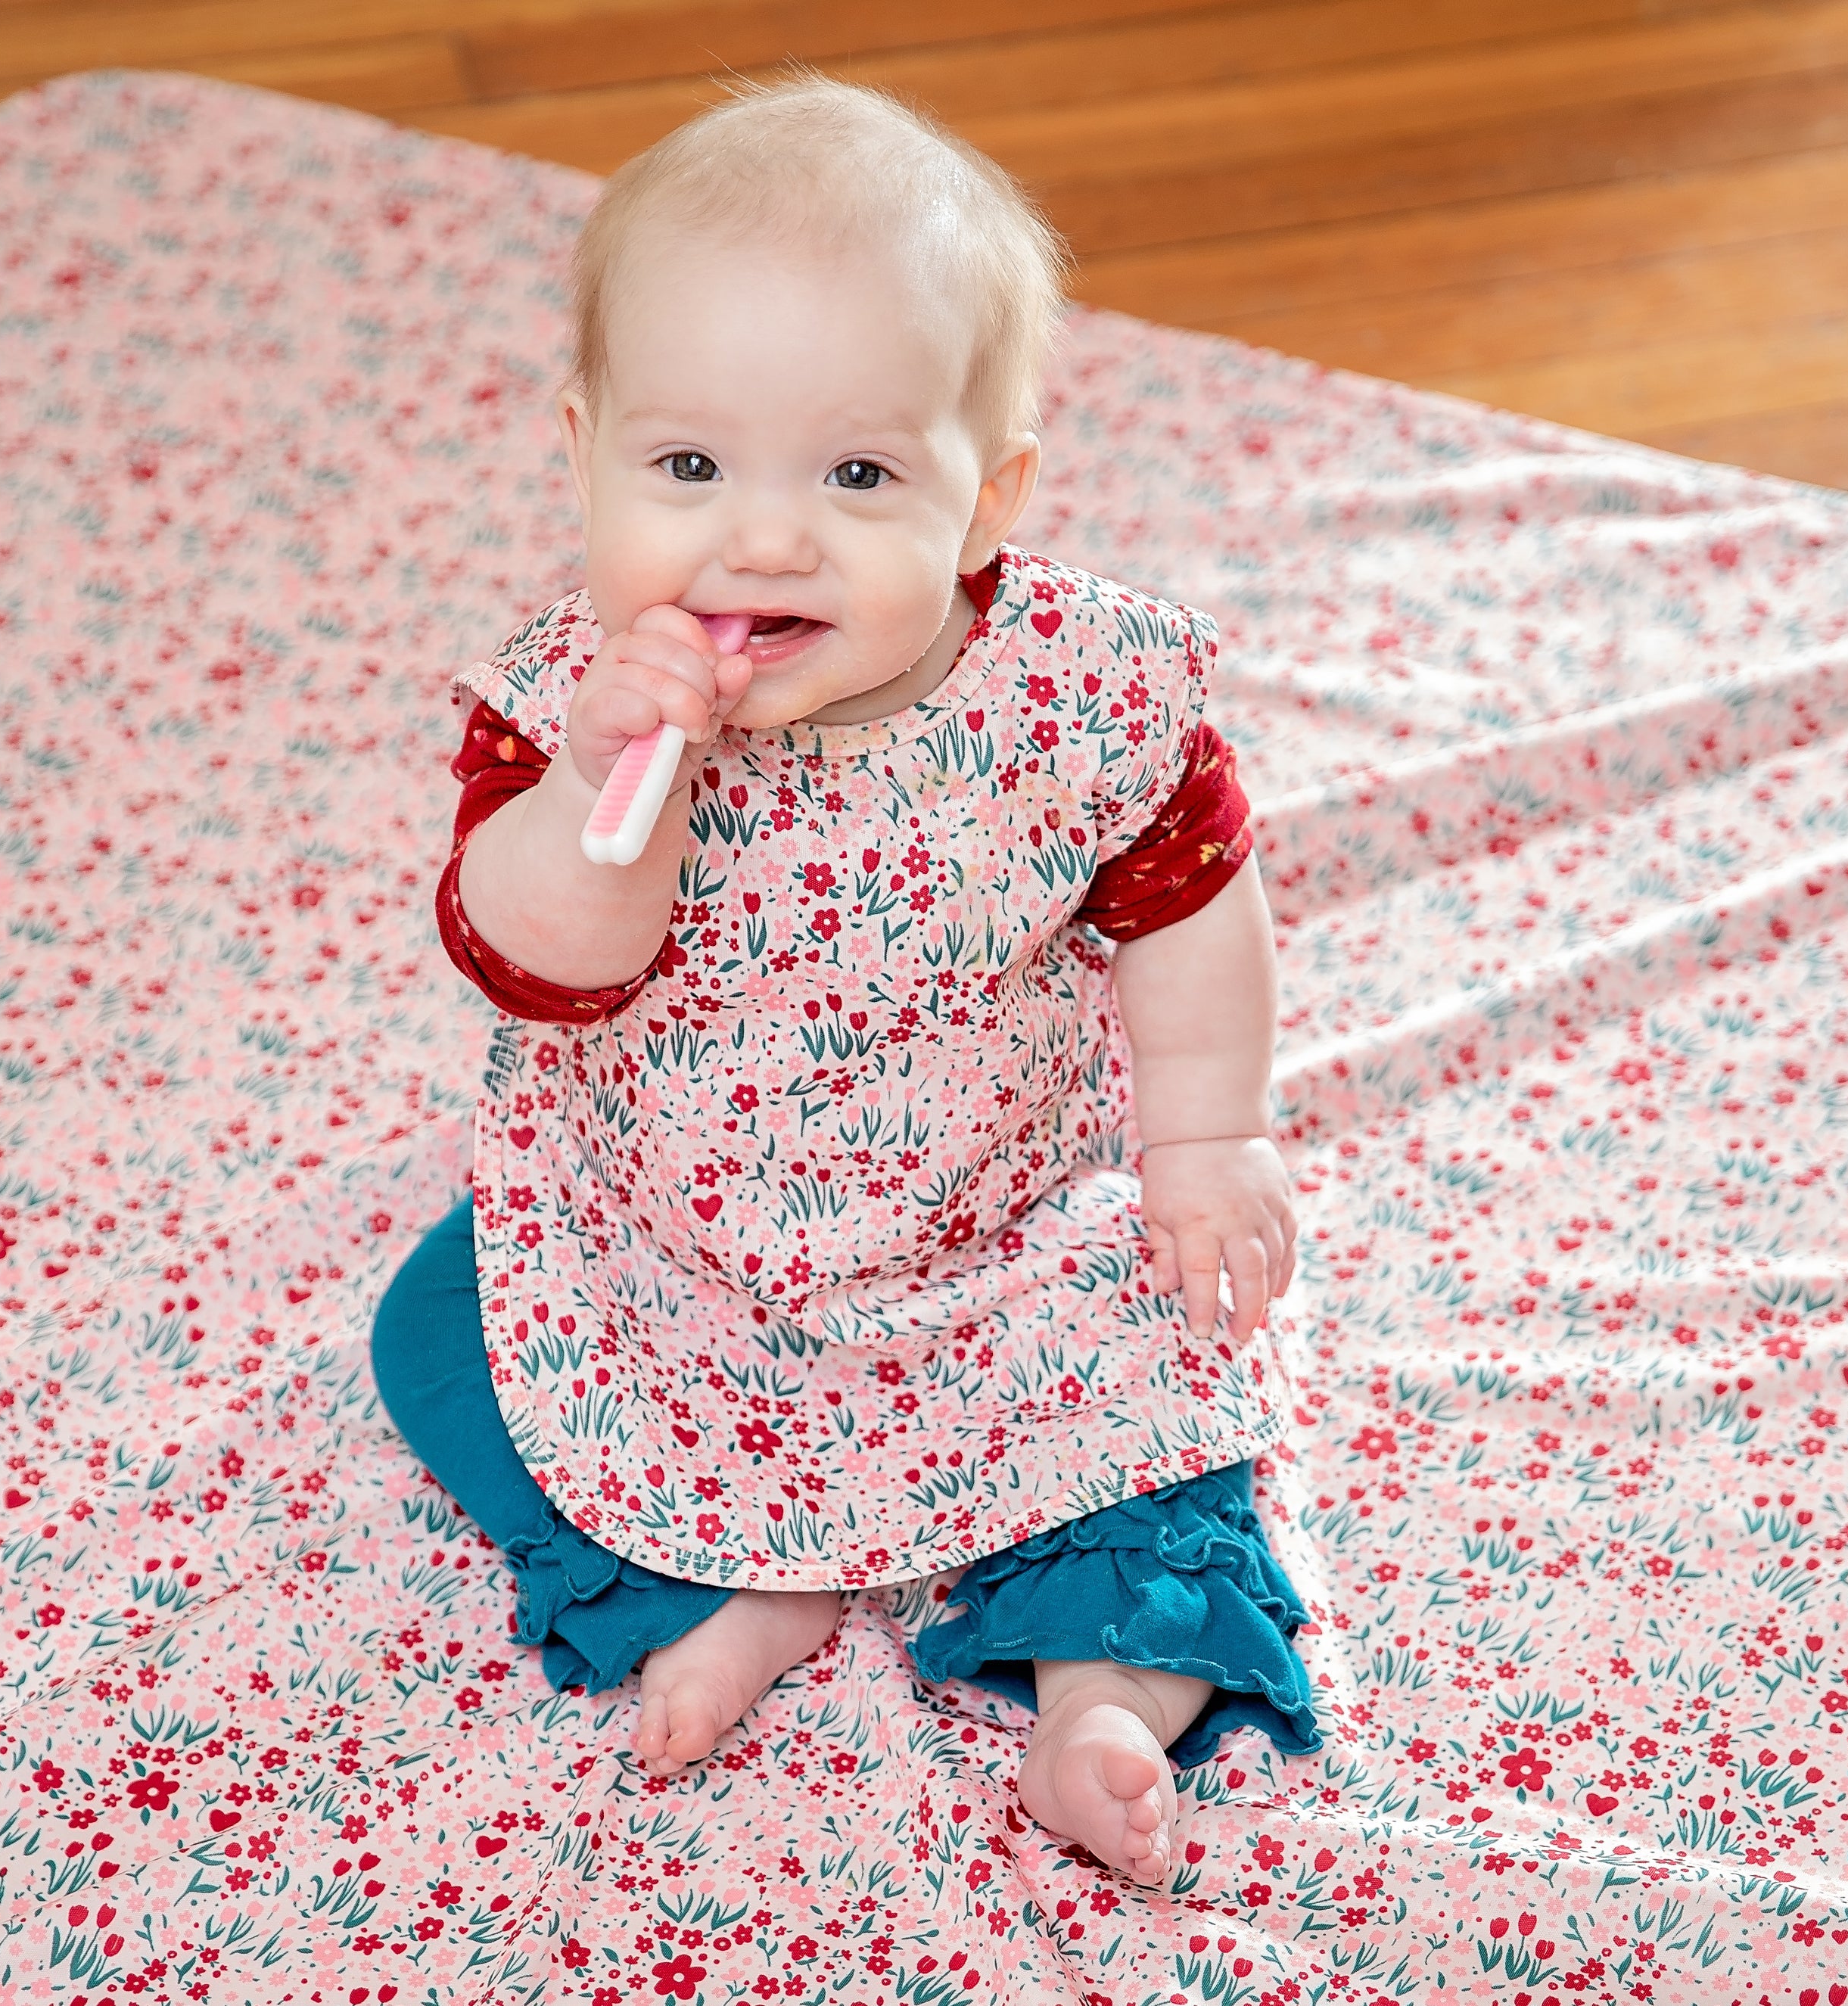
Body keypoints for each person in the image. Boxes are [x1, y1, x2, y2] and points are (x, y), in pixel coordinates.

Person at [372, 73, 1317, 1883]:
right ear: (582, 455)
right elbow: (546, 969)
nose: (764, 535)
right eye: (686, 467)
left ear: (989, 500)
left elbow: (1197, 897)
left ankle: (1102, 1700)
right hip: (679, 1240)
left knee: (1167, 1382)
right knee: (438, 1328)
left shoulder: (1069, 700)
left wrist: (1210, 1136)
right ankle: (716, 1580)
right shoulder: (575, 713)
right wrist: (603, 794)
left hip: (1000, 1221)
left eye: (860, 475)